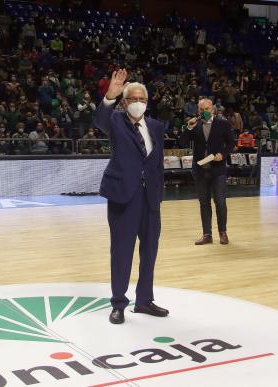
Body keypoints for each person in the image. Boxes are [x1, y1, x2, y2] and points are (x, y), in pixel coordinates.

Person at [94, 69, 168, 325]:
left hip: (150, 199)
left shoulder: (156, 127)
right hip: (123, 197)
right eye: (133, 99)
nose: (138, 103)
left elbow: (157, 163)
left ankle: (145, 300)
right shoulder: (115, 121)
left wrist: (159, 195)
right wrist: (109, 97)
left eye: (143, 99)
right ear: (125, 102)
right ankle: (118, 304)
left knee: (150, 252)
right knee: (122, 252)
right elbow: (99, 120)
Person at [187, 98, 235, 245]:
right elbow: (182, 141)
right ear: (198, 111)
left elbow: (231, 142)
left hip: (218, 170)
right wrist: (188, 128)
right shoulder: (195, 124)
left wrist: (224, 154)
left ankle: (223, 232)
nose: (205, 112)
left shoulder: (222, 123)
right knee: (204, 203)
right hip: (200, 170)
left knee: (220, 202)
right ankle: (207, 234)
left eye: (207, 109)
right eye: (202, 110)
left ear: (213, 109)